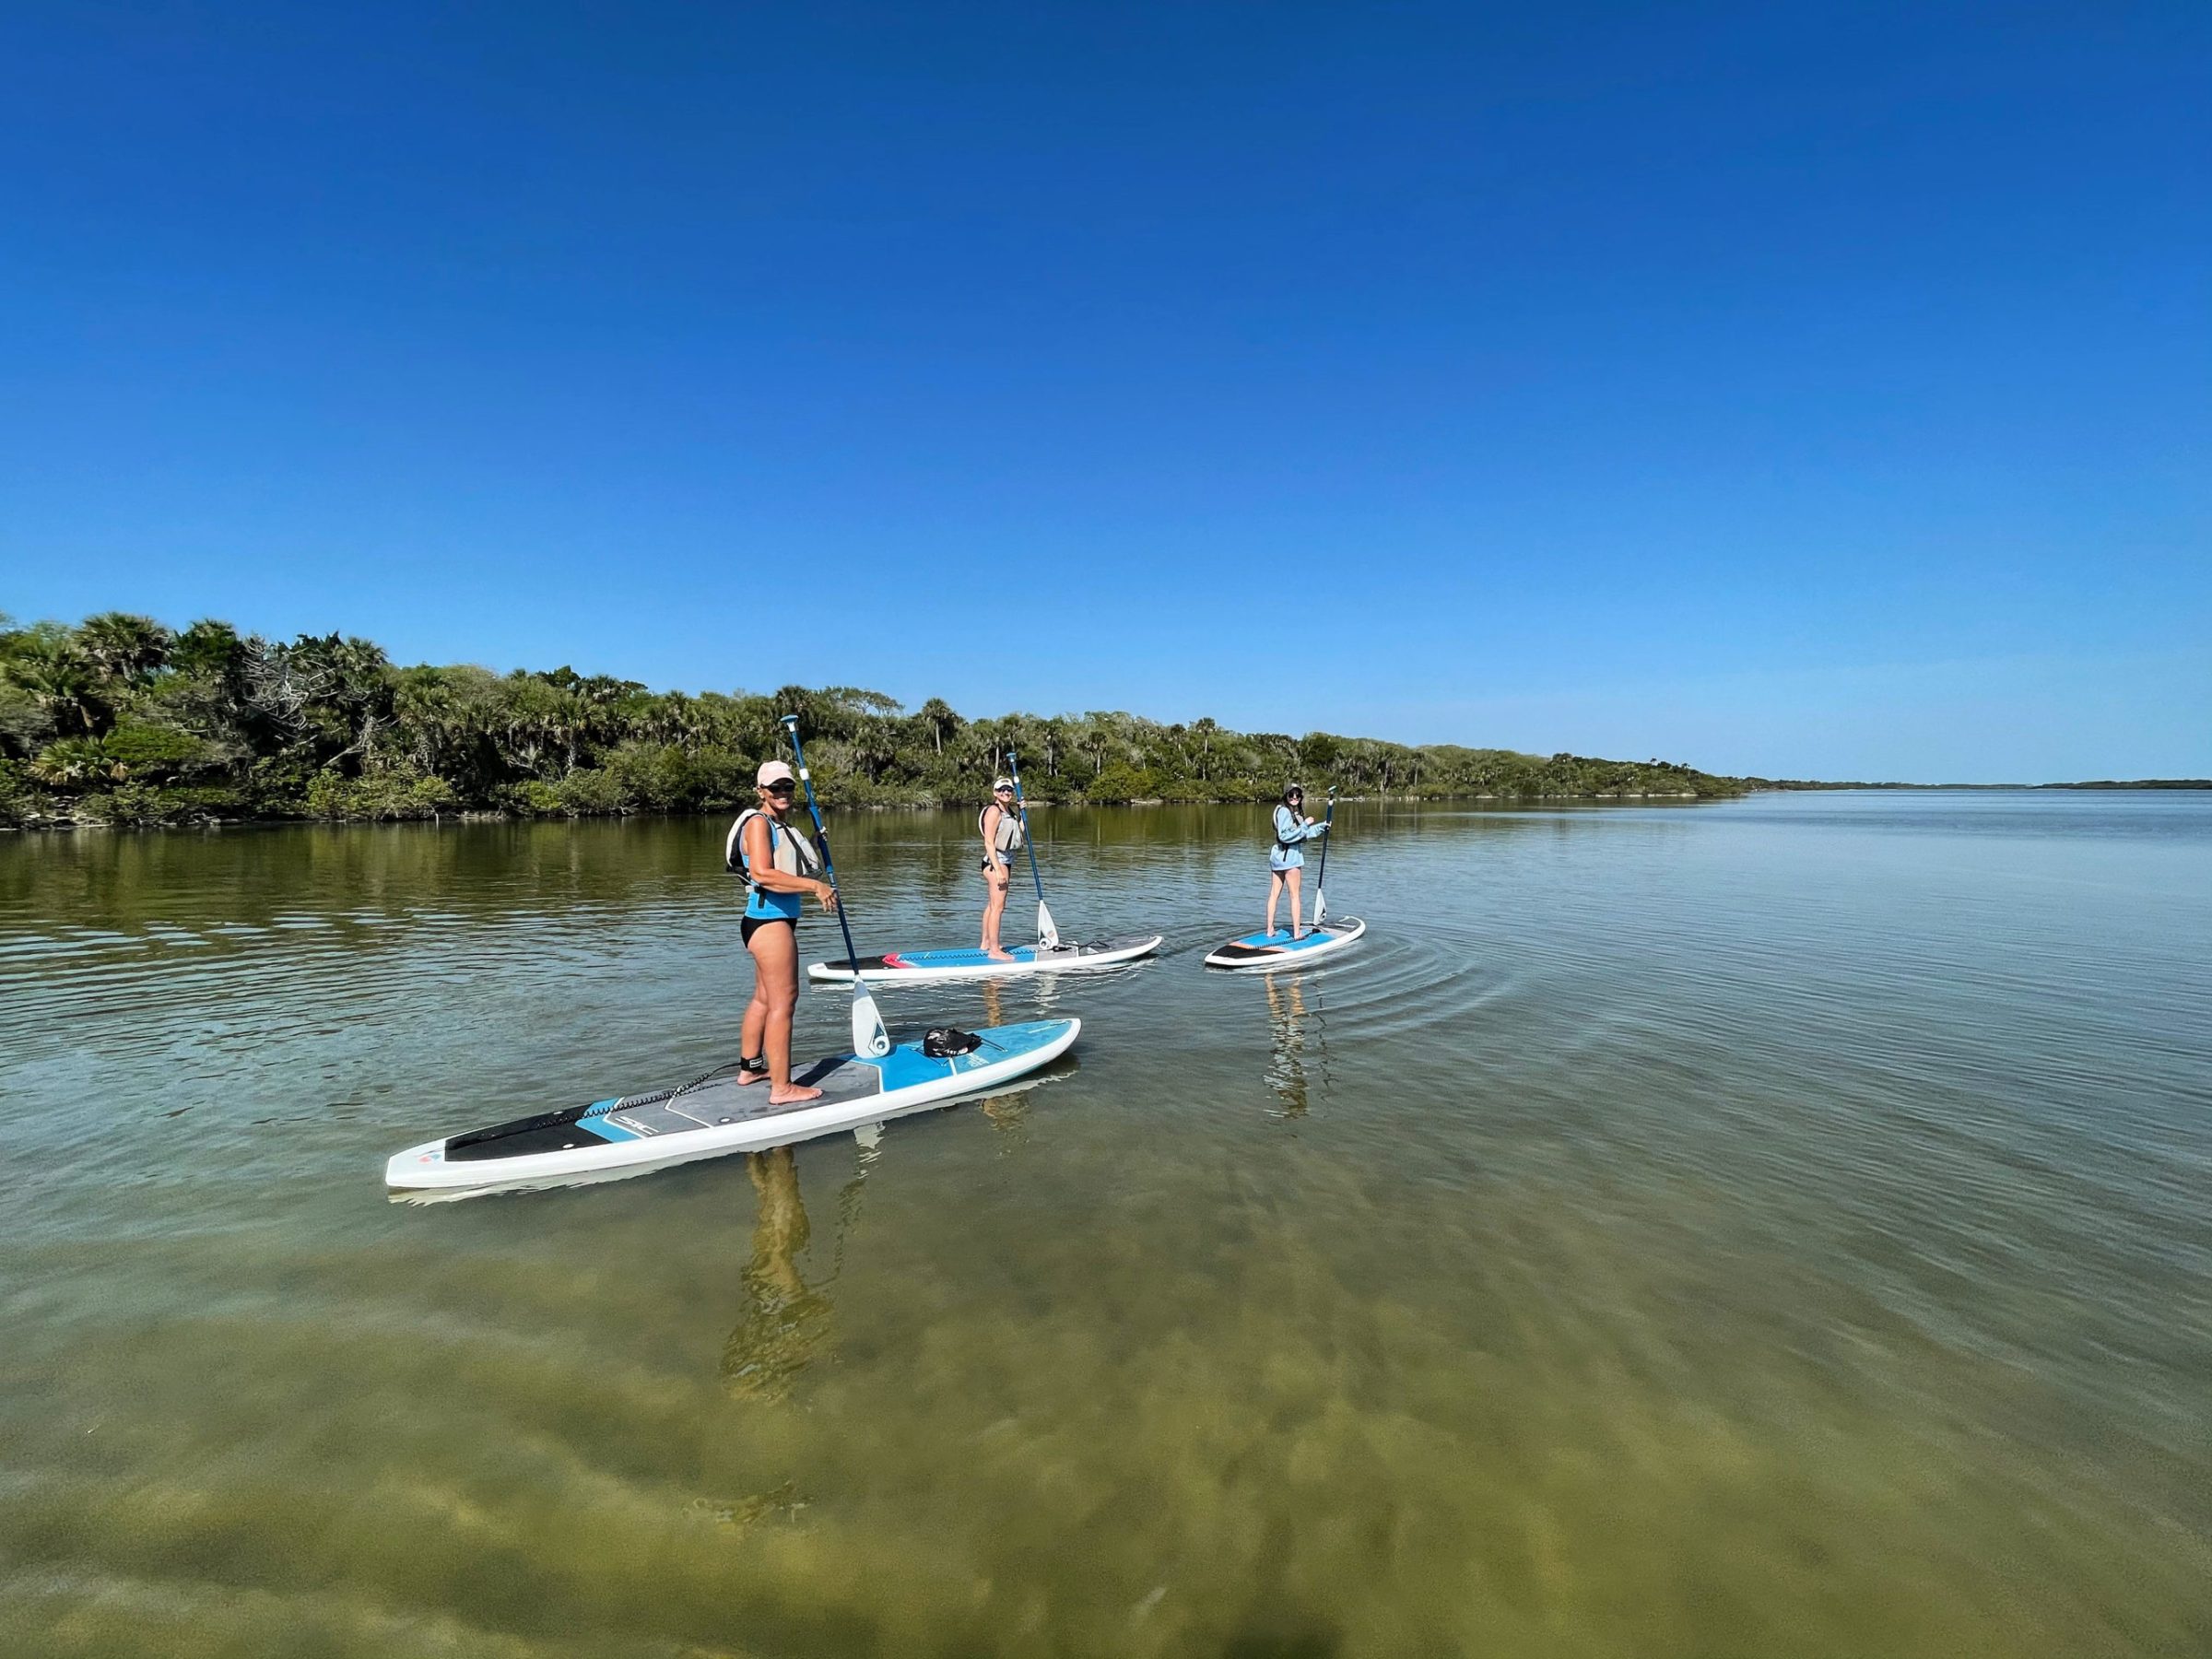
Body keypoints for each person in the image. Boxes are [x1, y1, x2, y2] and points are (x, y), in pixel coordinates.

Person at [728, 760, 839, 1104]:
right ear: (761, 791)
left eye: (787, 787)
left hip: (766, 921)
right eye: (775, 788)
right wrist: (815, 887)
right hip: (769, 922)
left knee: (764, 998)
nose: (783, 793)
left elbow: (789, 862)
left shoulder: (780, 826)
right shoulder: (759, 823)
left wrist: (817, 844)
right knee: (784, 1003)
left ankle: (750, 1068)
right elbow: (762, 873)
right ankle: (782, 1087)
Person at [1265, 783, 1328, 938]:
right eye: (1291, 795)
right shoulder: (1285, 812)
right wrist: (1305, 824)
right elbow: (1284, 836)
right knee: (1294, 896)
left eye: (1297, 795)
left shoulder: (1291, 812)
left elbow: (1302, 835)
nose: (1294, 798)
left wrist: (1321, 827)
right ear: (1286, 796)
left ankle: (1270, 930)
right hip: (1290, 858)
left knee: (1274, 894)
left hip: (1278, 858)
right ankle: (1297, 933)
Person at [978, 776, 1023, 959]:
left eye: (1009, 790)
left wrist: (1022, 813)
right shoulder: (994, 812)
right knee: (998, 907)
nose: (1006, 792)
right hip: (996, 862)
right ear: (995, 793)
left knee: (992, 905)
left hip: (1004, 861)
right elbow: (988, 842)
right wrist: (997, 869)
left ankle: (986, 942)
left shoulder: (1009, 811)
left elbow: (1019, 833)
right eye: (1002, 790)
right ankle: (994, 951)